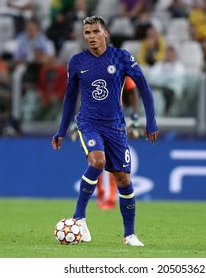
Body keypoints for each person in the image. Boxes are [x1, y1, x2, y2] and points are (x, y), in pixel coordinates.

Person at [51, 15, 159, 247]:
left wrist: (151, 122)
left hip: (116, 126)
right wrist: (61, 129)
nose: (91, 36)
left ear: (105, 33)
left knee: (123, 179)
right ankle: (79, 218)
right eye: (87, 32)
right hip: (88, 122)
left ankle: (129, 235)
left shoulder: (121, 58)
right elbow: (70, 98)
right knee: (98, 161)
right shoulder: (77, 61)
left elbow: (144, 89)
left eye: (95, 32)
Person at [96, 76, 141, 210]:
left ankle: (109, 198)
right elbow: (80, 92)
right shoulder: (88, 64)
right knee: (95, 160)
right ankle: (102, 194)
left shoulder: (118, 62)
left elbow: (132, 90)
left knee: (112, 161)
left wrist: (135, 117)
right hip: (91, 118)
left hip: (114, 120)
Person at [146, 45, 186, 116]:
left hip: (170, 89)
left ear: (174, 55)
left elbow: (176, 80)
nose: (169, 55)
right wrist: (166, 80)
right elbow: (151, 78)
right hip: (157, 86)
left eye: (171, 54)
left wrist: (161, 79)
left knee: (168, 92)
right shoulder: (158, 65)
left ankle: (166, 112)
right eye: (167, 53)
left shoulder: (179, 66)